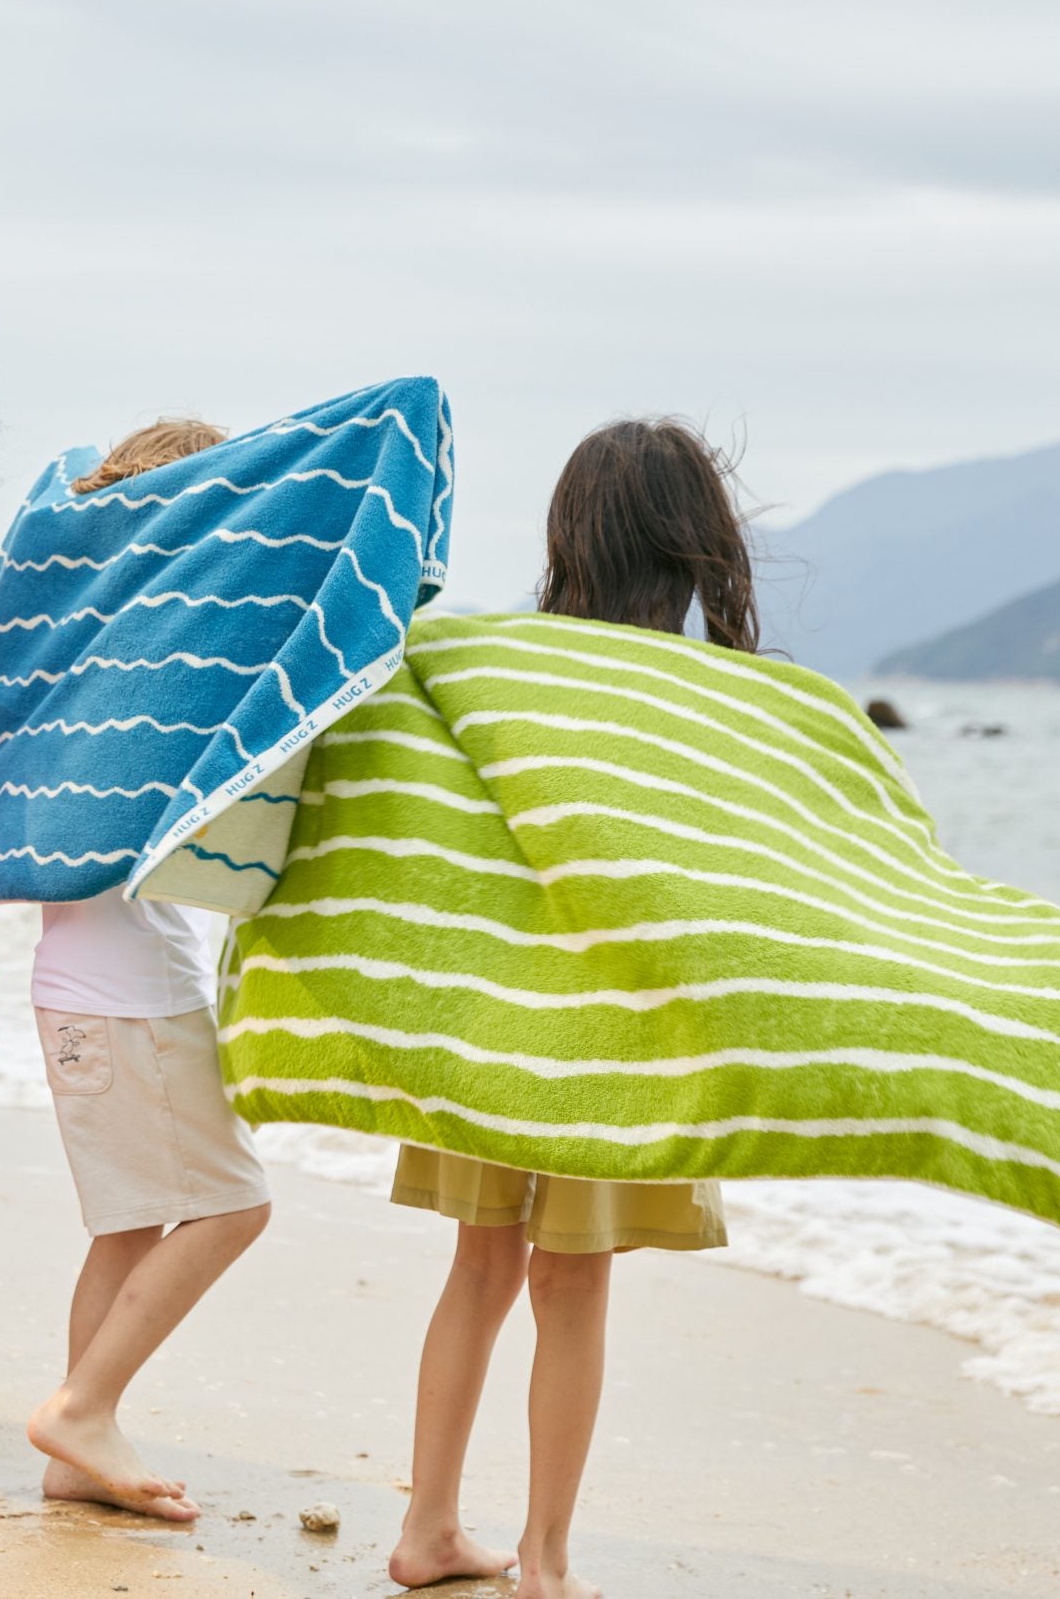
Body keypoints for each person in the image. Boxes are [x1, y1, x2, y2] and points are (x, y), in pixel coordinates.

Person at [387, 418, 737, 1599]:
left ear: (568, 533)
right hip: (614, 1027)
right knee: (572, 1285)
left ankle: (427, 1528)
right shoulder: (706, 693)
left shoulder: (503, 665)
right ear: (692, 547)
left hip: (486, 1008)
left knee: (475, 1267)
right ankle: (542, 1558)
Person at [22, 419, 273, 1524]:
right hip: (133, 995)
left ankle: (75, 1449)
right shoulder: (164, 663)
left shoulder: (76, 655)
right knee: (233, 1206)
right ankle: (82, 1410)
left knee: (123, 1228)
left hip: (68, 985)